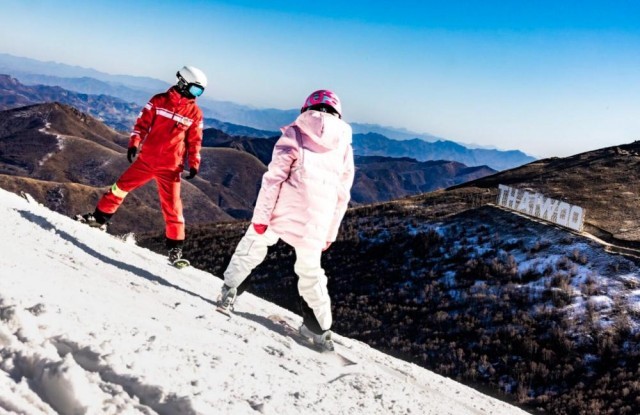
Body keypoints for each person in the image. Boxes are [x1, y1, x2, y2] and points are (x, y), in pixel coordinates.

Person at [217, 89, 355, 351]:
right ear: (338, 114)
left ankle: (230, 291)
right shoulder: (344, 148)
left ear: (306, 109)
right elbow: (342, 196)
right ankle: (319, 330)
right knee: (311, 272)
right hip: (317, 220)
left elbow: (273, 179)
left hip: (283, 210)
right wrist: (329, 234)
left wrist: (260, 218)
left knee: (253, 245)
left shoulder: (295, 133)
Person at [77, 66, 207, 265]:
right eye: (195, 90)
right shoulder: (159, 101)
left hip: (170, 168)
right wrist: (134, 143)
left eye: (200, 92)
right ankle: (99, 219)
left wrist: (194, 163)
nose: (196, 95)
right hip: (146, 161)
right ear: (183, 82)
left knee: (172, 207)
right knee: (119, 188)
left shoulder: (194, 112)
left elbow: (195, 141)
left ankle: (175, 250)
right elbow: (142, 124)